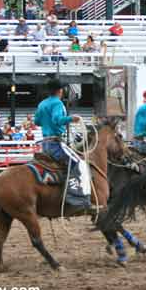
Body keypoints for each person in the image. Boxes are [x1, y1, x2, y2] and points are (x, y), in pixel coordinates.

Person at [34, 78, 92, 211]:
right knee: (79, 163)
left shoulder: (42, 104)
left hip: (45, 143)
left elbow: (37, 121)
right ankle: (74, 197)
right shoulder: (58, 103)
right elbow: (57, 120)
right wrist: (72, 118)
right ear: (60, 91)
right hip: (56, 143)